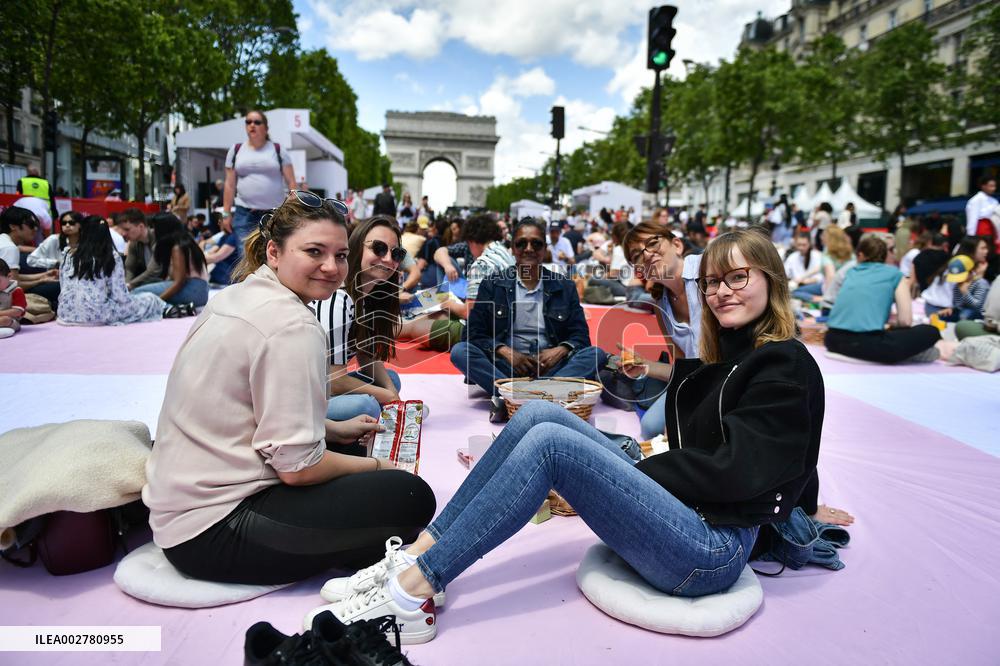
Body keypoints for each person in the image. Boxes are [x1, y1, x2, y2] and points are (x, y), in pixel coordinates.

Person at [307, 228, 849, 643]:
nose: (721, 292)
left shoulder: (781, 363)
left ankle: (414, 591)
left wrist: (637, 472)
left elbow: (747, 467)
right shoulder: (734, 356)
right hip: (690, 515)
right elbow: (791, 445)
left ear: (771, 280)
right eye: (711, 281)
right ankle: (420, 553)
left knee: (553, 444)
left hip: (710, 550)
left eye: (738, 278)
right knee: (537, 416)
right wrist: (805, 500)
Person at [142, 194, 435, 585]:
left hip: (181, 510)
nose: (331, 266)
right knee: (411, 495)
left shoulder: (234, 295)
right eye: (314, 251)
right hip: (214, 530)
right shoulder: (293, 325)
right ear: (274, 252)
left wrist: (332, 430)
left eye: (340, 255)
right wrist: (380, 467)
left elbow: (249, 409)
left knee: (354, 451)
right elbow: (298, 470)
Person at [450, 217, 606, 403]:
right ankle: (544, 396)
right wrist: (505, 352)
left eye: (536, 244)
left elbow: (581, 338)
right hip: (505, 368)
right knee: (460, 352)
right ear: (513, 248)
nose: (529, 249)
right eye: (521, 243)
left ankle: (515, 397)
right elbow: (472, 334)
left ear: (545, 249)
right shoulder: (492, 284)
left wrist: (560, 350)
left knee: (596, 355)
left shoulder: (564, 286)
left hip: (553, 369)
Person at [316, 215, 406, 423]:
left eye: (396, 253)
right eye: (379, 248)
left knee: (391, 380)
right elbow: (334, 381)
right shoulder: (338, 298)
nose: (388, 259)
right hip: (302, 395)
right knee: (367, 405)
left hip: (323, 387)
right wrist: (387, 397)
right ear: (356, 248)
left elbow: (366, 356)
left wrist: (394, 397)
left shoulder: (365, 298)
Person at [622, 220, 704, 439]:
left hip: (731, 374)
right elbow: (684, 370)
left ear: (677, 245)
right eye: (637, 255)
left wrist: (683, 413)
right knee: (650, 427)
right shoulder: (661, 305)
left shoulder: (706, 271)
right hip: (700, 380)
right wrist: (644, 366)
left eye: (652, 243)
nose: (647, 255)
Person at [825, 235, 940, 364]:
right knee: (930, 331)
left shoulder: (851, 272)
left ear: (860, 255)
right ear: (885, 256)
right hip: (865, 344)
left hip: (832, 340)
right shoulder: (895, 275)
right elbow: (905, 320)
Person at [57, 216, 169, 326]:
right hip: (98, 314)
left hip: (65, 314)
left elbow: (63, 286)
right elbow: (119, 296)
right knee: (149, 299)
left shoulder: (67, 254)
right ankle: (167, 309)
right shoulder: (110, 256)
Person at [221, 110, 298, 245]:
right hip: (244, 214)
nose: (252, 125)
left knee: (272, 253)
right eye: (248, 122)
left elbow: (291, 182)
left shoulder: (278, 150)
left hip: (274, 214)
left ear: (266, 128)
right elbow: (229, 184)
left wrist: (293, 210)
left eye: (257, 122)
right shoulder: (236, 150)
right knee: (245, 255)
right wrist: (226, 214)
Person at [132, 214, 209, 308]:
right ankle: (170, 307)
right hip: (200, 291)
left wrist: (157, 301)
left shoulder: (177, 248)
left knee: (137, 292)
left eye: (155, 228)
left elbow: (179, 282)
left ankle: (167, 307)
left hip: (193, 290)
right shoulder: (185, 242)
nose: (153, 231)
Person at [0, 208, 59, 307]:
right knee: (58, 287)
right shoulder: (9, 248)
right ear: (13, 226)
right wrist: (40, 281)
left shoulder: (3, 240)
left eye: (36, 225)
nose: (35, 229)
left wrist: (43, 276)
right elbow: (12, 285)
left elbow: (11, 277)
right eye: (31, 225)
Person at [936, 237, 991, 322]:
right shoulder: (959, 279)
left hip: (976, 315)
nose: (986, 251)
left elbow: (978, 306)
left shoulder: (981, 282)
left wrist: (965, 292)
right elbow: (958, 304)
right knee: (941, 316)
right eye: (983, 248)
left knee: (965, 314)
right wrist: (952, 309)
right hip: (957, 310)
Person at [120, 208, 161, 290]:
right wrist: (126, 285)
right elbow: (129, 268)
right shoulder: (133, 243)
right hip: (151, 281)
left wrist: (130, 285)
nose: (123, 234)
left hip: (165, 281)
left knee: (138, 292)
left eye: (127, 229)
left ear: (141, 226)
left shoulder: (158, 238)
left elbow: (153, 271)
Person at [784, 232, 824, 302]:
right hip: (798, 286)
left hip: (814, 285)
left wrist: (807, 281)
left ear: (809, 244)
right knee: (789, 291)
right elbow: (785, 273)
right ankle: (814, 298)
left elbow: (821, 277)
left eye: (804, 245)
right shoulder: (792, 257)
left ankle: (817, 299)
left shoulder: (816, 255)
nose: (801, 248)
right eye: (799, 245)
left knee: (793, 292)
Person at [0, 258, 27, 339]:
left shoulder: (16, 290)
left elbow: (17, 312)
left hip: (11, 321)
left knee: (5, 320)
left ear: (9, 276)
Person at [965, 176, 997, 241]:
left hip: (994, 230)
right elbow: (972, 219)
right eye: (991, 186)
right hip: (981, 230)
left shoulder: (994, 201)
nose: (993, 188)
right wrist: (971, 236)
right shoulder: (976, 199)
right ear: (983, 186)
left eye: (994, 186)